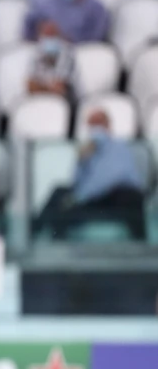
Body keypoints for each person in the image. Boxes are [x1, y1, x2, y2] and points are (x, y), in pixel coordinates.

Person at [33, 110, 147, 240]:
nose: (95, 129)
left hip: (116, 197)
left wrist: (78, 197)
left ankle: (140, 242)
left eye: (98, 123)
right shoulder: (88, 149)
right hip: (92, 198)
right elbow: (76, 182)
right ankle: (36, 233)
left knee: (127, 197)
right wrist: (81, 161)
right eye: (92, 125)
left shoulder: (119, 146)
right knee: (59, 192)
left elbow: (108, 179)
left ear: (108, 126)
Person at [24, 0, 109, 44]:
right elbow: (29, 25)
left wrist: (65, 37)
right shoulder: (49, 1)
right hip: (42, 48)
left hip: (79, 53)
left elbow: (96, 38)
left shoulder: (96, 8)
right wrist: (41, 30)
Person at [28, 20, 75, 102]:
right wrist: (48, 88)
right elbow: (30, 85)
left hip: (65, 101)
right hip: (39, 100)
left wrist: (40, 87)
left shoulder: (67, 52)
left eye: (52, 35)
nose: (49, 39)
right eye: (47, 35)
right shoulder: (36, 52)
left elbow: (60, 88)